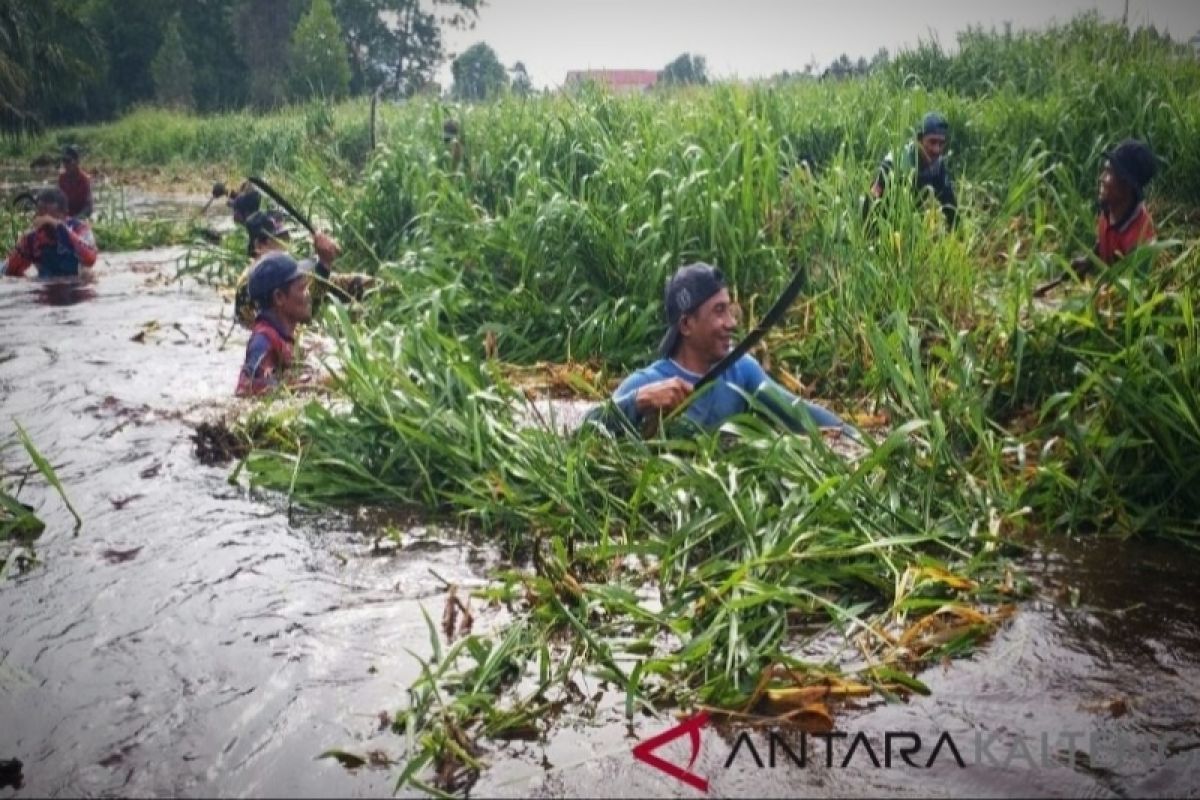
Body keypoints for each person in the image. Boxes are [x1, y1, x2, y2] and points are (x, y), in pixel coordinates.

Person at [593, 262, 848, 437]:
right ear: (686, 324)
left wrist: (857, 439)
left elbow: (799, 412)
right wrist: (639, 402)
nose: (732, 323)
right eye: (719, 311)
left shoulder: (742, 371)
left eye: (729, 309)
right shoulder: (649, 382)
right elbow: (585, 433)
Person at [231, 210, 363, 330]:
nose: (286, 246)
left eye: (287, 238)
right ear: (259, 246)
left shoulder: (282, 271)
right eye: (279, 240)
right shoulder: (252, 281)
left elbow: (327, 286)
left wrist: (361, 283)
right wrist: (324, 264)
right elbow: (304, 309)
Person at [235, 252, 320, 397]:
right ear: (279, 297)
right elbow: (247, 389)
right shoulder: (263, 341)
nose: (308, 295)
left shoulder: (283, 335)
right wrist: (310, 384)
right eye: (302, 288)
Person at [867, 112, 957, 229]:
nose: (937, 149)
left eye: (941, 143)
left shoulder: (937, 165)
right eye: (932, 142)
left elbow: (949, 205)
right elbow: (872, 200)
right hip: (885, 223)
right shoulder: (897, 159)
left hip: (912, 224)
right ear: (918, 140)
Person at [2, 187, 98, 279]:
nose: (45, 220)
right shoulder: (31, 239)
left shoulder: (79, 228)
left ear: (64, 214)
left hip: (76, 288)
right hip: (46, 285)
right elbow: (10, 271)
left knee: (88, 276)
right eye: (41, 214)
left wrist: (59, 227)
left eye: (51, 216)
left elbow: (90, 259)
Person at [57, 145, 94, 220]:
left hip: (80, 217)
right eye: (64, 161)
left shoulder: (84, 180)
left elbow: (89, 207)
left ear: (77, 162)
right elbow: (59, 202)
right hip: (66, 217)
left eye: (68, 161)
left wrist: (77, 218)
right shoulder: (62, 179)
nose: (65, 165)